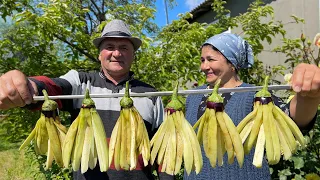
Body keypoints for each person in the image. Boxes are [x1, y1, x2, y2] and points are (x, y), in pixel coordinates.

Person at [0, 19, 173, 180]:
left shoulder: (150, 94)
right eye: (110, 46)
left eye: (124, 48)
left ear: (133, 54)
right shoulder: (81, 82)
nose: (117, 53)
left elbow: (164, 150)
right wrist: (29, 87)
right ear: (99, 54)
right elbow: (54, 87)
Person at [184, 33, 319, 179]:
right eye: (202, 60)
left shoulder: (255, 96)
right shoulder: (193, 96)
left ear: (232, 64)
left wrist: (309, 97)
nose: (204, 66)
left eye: (210, 59)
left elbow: (293, 120)